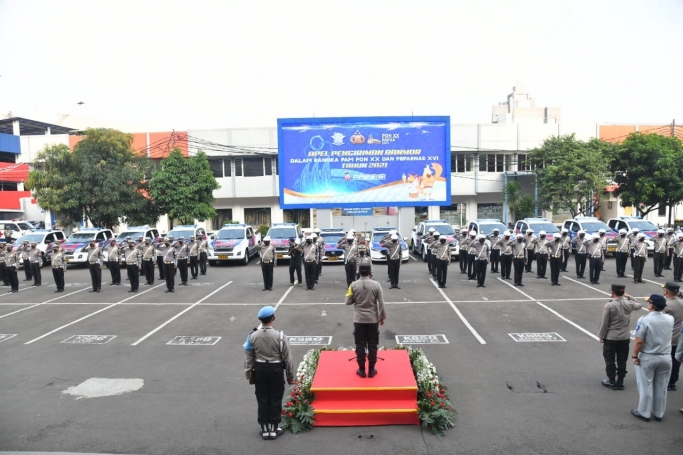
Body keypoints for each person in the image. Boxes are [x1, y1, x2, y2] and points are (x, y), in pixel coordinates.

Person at [244, 305, 295, 440]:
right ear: (273, 318)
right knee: (275, 397)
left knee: (262, 398)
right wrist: (290, 376)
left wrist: (249, 373)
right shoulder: (280, 336)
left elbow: (248, 356)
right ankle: (274, 428)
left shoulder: (252, 335)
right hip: (275, 369)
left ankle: (264, 428)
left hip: (260, 369)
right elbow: (288, 359)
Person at [631, 294, 674, 422]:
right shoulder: (669, 319)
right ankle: (659, 412)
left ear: (651, 305)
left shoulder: (644, 320)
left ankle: (644, 412)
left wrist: (634, 355)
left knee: (645, 385)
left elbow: (639, 341)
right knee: (662, 386)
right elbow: (665, 314)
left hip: (649, 356)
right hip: (666, 356)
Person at [345, 263, 386, 379]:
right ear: (370, 273)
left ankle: (362, 370)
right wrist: (382, 317)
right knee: (373, 345)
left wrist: (355, 298)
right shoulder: (376, 285)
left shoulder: (353, 285)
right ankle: (372, 370)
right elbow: (381, 303)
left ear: (359, 272)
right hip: (373, 320)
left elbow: (347, 302)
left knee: (360, 345)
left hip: (359, 320)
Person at [598, 284, 642, 390]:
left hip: (611, 337)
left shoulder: (609, 305)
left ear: (612, 292)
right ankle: (621, 380)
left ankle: (612, 380)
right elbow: (639, 305)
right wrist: (629, 296)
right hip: (624, 337)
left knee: (610, 359)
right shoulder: (629, 303)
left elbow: (605, 323)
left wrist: (601, 335)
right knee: (622, 359)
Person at [662, 282, 683, 391]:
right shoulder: (682, 302)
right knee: (676, 360)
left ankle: (666, 381)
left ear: (666, 291)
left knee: (667, 360)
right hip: (680, 336)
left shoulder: (665, 304)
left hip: (669, 337)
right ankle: (672, 382)